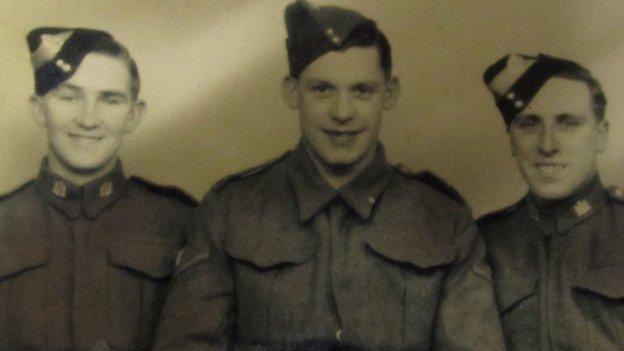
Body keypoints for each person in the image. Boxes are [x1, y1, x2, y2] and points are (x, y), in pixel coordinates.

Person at [154, 1, 504, 350]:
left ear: (389, 93)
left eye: (362, 90)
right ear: (293, 92)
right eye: (322, 89)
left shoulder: (443, 220)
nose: (342, 112)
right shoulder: (231, 210)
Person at [0, 27, 196, 350]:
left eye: (109, 99)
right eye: (69, 97)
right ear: (39, 108)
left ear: (134, 114)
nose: (88, 119)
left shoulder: (180, 223)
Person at [478, 53, 624, 350]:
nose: (547, 145)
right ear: (511, 140)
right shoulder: (480, 244)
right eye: (529, 124)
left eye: (567, 123)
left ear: (601, 136)